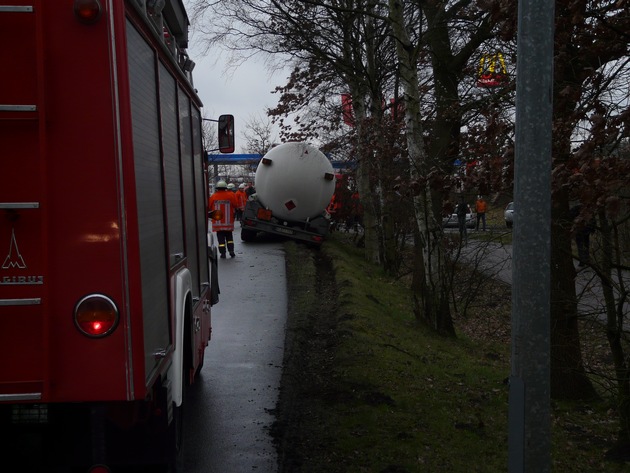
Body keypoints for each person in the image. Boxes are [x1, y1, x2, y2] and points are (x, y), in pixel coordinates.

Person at [208, 180, 240, 258]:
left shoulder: (213, 197)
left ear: (217, 188)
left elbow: (209, 207)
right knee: (229, 238)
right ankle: (231, 251)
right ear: (225, 188)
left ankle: (223, 253)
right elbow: (236, 205)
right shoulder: (231, 195)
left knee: (221, 240)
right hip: (228, 222)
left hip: (218, 223)